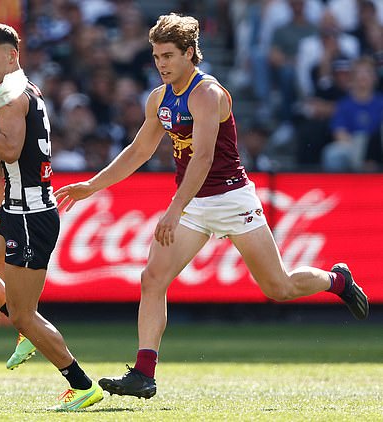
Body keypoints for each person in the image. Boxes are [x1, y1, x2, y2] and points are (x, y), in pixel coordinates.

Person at [54, 12, 370, 400]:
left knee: (279, 287)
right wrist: (92, 185)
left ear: (190, 53)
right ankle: (144, 373)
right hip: (193, 203)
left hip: (231, 199)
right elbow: (139, 149)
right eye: (156, 56)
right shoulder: (160, 97)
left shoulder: (207, 93)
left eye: (168, 56)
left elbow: (202, 159)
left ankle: (337, 280)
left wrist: (172, 209)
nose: (161, 64)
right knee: (152, 280)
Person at [0, 23, 103, 411]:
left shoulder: (12, 96)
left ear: (13, 56)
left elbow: (12, 151)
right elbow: (5, 168)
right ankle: (27, 331)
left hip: (31, 214)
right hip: (16, 206)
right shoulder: (15, 92)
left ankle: (82, 385)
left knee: (23, 314)